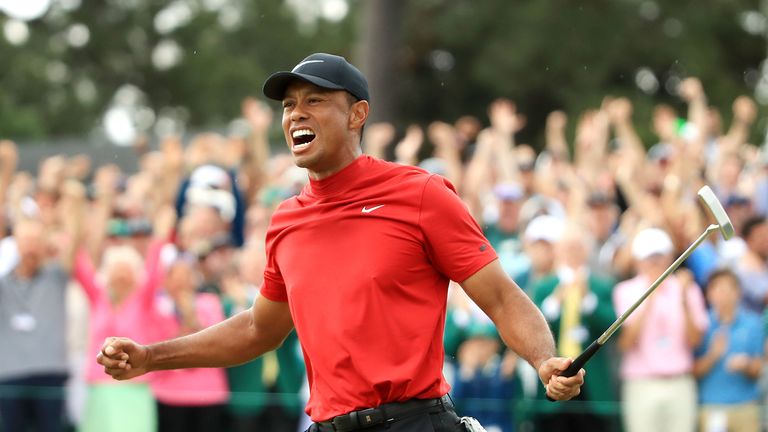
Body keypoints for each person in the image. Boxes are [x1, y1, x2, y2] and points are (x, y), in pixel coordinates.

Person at [96, 52, 584, 432]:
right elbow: (257, 330)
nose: (295, 115)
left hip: (413, 423)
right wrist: (150, 357)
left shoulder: (421, 194)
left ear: (357, 115)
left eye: (314, 101)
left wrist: (543, 358)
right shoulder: (286, 220)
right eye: (288, 104)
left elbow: (500, 297)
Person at [613, 228, 709, 432]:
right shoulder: (625, 290)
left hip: (680, 382)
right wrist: (650, 297)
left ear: (669, 258)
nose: (654, 263)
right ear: (638, 260)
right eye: (649, 258)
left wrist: (683, 298)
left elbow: (695, 341)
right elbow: (626, 342)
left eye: (659, 257)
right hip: (641, 382)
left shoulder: (687, 288)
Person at [694, 269, 763, 432]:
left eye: (727, 288)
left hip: (745, 406)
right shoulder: (701, 324)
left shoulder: (753, 323)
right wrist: (713, 355)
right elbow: (693, 370)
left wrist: (746, 364)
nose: (722, 294)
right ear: (709, 294)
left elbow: (758, 368)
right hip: (711, 407)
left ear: (738, 292)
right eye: (717, 288)